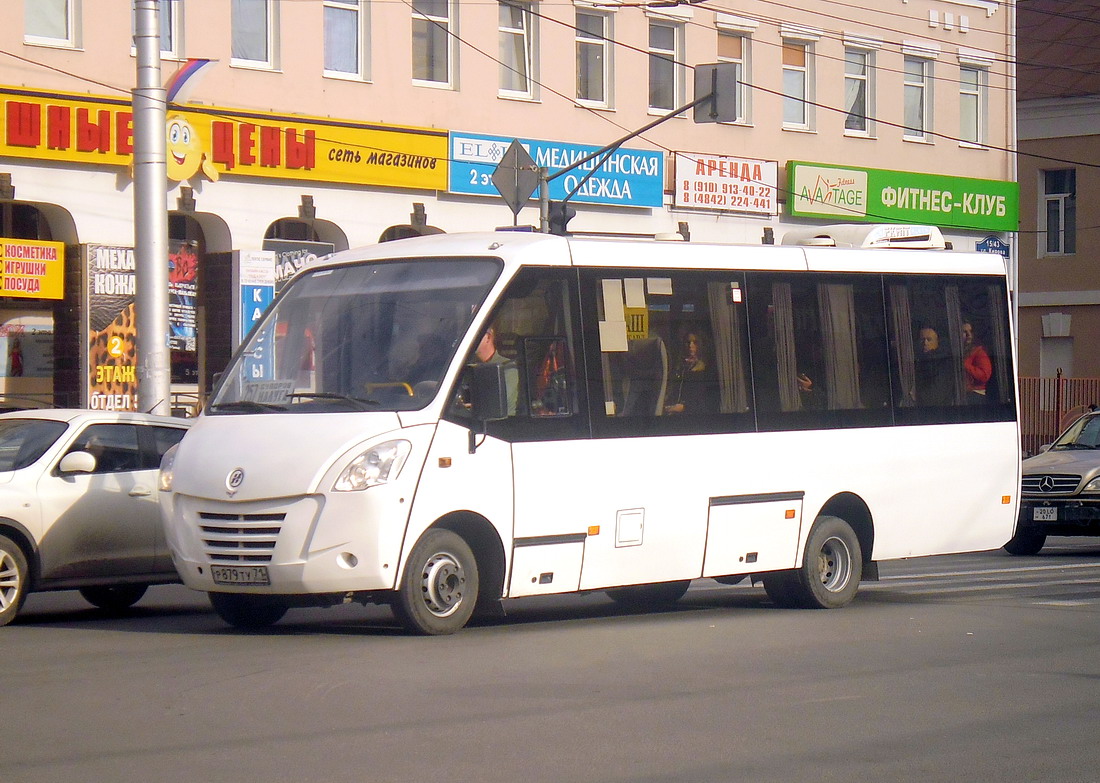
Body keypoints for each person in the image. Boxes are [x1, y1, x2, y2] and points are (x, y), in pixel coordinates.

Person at [664, 330, 716, 414]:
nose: (690, 346)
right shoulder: (679, 367)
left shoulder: (706, 371)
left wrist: (684, 407)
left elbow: (704, 400)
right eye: (687, 342)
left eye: (695, 342)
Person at [473, 325, 519, 416]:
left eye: (475, 335)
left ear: (488, 337)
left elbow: (497, 401)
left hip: (501, 425)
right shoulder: (466, 366)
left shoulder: (507, 367)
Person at [914, 325, 954, 406]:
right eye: (922, 340)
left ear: (937, 342)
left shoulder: (943, 362)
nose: (925, 343)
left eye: (929, 340)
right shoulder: (919, 360)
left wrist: (915, 396)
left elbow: (936, 394)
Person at [962, 320, 992, 403]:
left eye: (970, 331)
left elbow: (984, 376)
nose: (968, 335)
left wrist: (965, 365)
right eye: (964, 332)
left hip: (975, 395)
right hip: (961, 394)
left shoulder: (979, 352)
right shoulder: (959, 352)